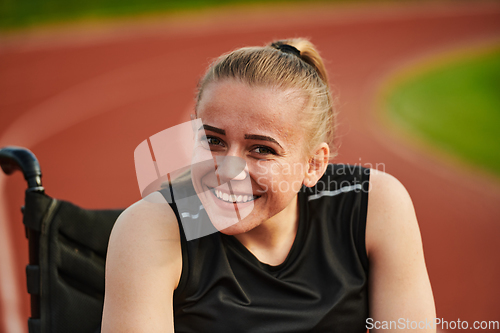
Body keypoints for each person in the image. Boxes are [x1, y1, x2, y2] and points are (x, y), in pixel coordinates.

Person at [101, 38, 436, 332]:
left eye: (261, 149)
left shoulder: (371, 204)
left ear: (313, 165)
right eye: (213, 141)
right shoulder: (159, 227)